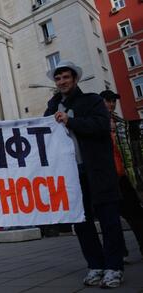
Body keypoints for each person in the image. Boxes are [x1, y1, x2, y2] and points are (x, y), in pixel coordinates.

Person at [44, 61, 125, 288]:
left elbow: (100, 126)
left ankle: (114, 267)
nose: (61, 82)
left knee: (109, 220)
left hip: (98, 171)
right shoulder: (52, 108)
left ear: (75, 79)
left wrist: (71, 121)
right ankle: (96, 265)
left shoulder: (92, 101)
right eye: (58, 78)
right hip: (71, 175)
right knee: (81, 222)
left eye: (66, 77)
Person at [99, 89, 143, 258]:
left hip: (123, 176)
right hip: (107, 177)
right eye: (107, 101)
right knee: (111, 219)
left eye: (113, 101)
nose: (111, 104)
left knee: (135, 215)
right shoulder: (98, 123)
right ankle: (120, 253)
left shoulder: (120, 123)